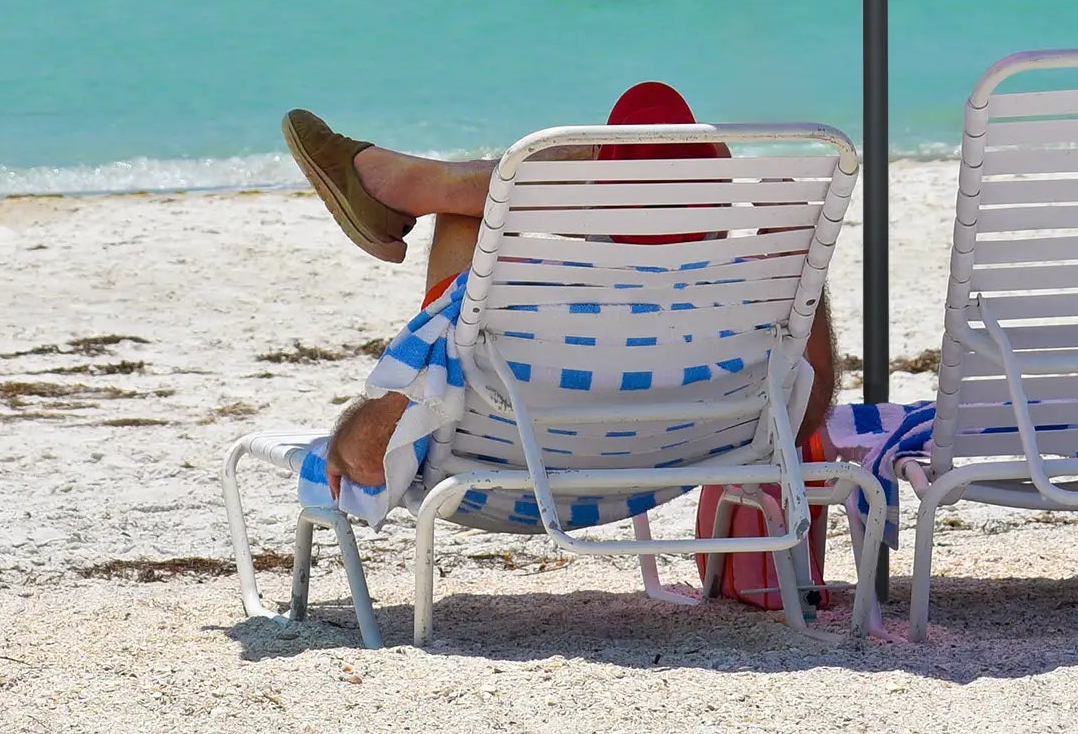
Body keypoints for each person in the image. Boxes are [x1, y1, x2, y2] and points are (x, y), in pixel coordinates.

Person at [281, 84, 838, 502]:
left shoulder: (513, 315)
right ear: (717, 206)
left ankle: (424, 186)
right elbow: (802, 420)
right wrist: (800, 278)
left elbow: (371, 460)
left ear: (586, 219)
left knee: (466, 217)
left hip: (501, 479)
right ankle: (412, 183)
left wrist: (342, 443)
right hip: (683, 463)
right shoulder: (751, 312)